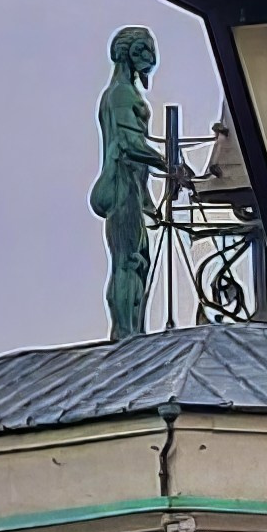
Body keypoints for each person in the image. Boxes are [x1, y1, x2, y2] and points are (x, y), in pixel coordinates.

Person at [90, 27, 163, 340]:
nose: (151, 59)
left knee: (139, 260)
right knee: (127, 260)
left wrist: (147, 200)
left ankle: (134, 328)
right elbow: (126, 143)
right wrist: (167, 162)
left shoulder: (123, 92)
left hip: (130, 184)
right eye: (146, 52)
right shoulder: (121, 94)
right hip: (120, 186)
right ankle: (125, 331)